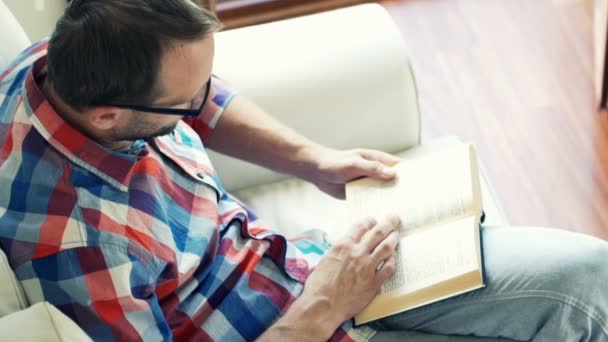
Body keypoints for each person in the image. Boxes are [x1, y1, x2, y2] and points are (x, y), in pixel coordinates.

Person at [0, 1, 606, 341]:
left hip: (304, 264)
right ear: (109, 115)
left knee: (585, 278)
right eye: (188, 103)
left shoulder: (61, 63)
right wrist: (323, 303)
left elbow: (200, 102)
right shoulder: (81, 249)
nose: (204, 104)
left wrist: (315, 161)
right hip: (304, 320)